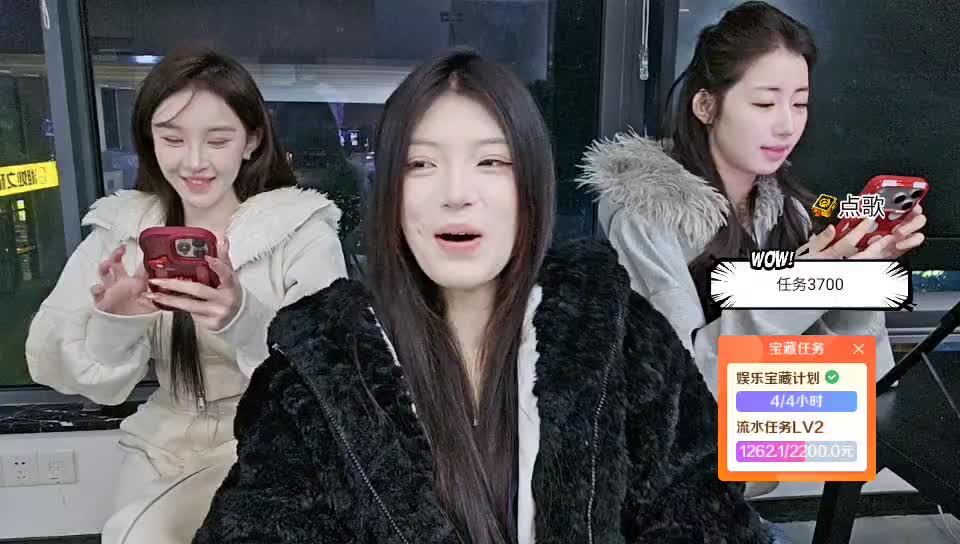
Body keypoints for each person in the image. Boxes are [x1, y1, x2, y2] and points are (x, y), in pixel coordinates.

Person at [194, 48, 782, 544]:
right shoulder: (316, 374)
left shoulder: (621, 339)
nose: (457, 193)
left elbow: (705, 513)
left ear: (530, 185)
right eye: (421, 163)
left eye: (491, 161)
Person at [25, 48, 346, 543]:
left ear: (252, 140)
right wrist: (115, 322)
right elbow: (78, 377)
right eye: (172, 138)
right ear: (148, 139)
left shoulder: (297, 231)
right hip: (159, 444)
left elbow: (333, 374)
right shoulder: (122, 230)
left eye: (218, 140)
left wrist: (243, 316)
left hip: (267, 441)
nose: (194, 162)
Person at [579, 0, 925, 404]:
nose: (787, 125)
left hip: (786, 436)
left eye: (800, 104)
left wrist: (854, 279)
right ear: (706, 106)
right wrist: (797, 285)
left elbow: (863, 379)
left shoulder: (791, 214)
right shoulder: (645, 223)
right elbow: (680, 389)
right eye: (765, 103)